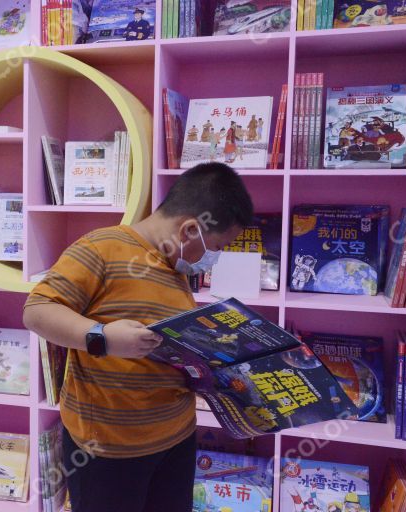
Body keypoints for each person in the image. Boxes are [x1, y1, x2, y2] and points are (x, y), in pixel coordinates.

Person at [23, 163, 253, 512]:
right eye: (217, 247)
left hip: (175, 439)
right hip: (107, 453)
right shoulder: (101, 248)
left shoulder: (175, 267)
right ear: (190, 229)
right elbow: (37, 310)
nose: (214, 260)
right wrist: (101, 336)